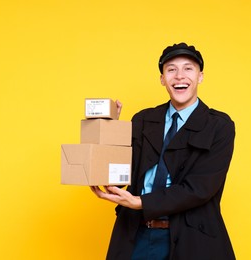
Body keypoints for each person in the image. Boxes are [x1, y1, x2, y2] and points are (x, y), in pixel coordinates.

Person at [90, 42, 236, 260]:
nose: (179, 76)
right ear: (162, 79)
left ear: (200, 76)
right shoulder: (143, 119)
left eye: (188, 68)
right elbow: (119, 175)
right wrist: (111, 131)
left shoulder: (219, 126)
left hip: (192, 238)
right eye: (171, 69)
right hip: (137, 233)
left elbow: (201, 188)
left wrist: (142, 202)